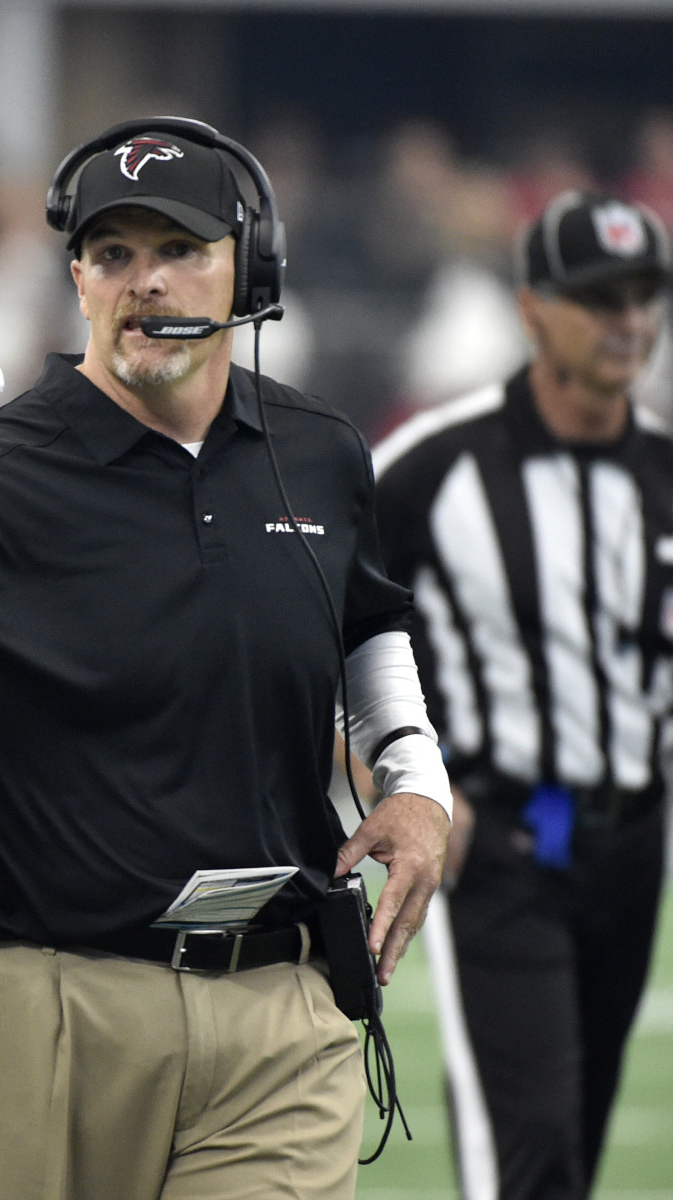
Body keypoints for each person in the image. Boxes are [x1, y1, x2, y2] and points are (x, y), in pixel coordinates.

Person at [0, 116, 451, 1200]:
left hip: (277, 1007)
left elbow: (366, 624)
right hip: (36, 1004)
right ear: (79, 279)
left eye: (180, 249)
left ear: (248, 271)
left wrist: (416, 781)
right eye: (114, 254)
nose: (145, 280)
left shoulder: (319, 450)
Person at [371, 189, 673, 1200]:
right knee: (529, 1151)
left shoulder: (664, 471)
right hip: (503, 843)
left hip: (634, 844)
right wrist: (399, 779)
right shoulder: (433, 467)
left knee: (576, 1140)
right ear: (532, 307)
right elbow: (316, 628)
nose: (627, 320)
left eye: (643, 296)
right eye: (599, 297)